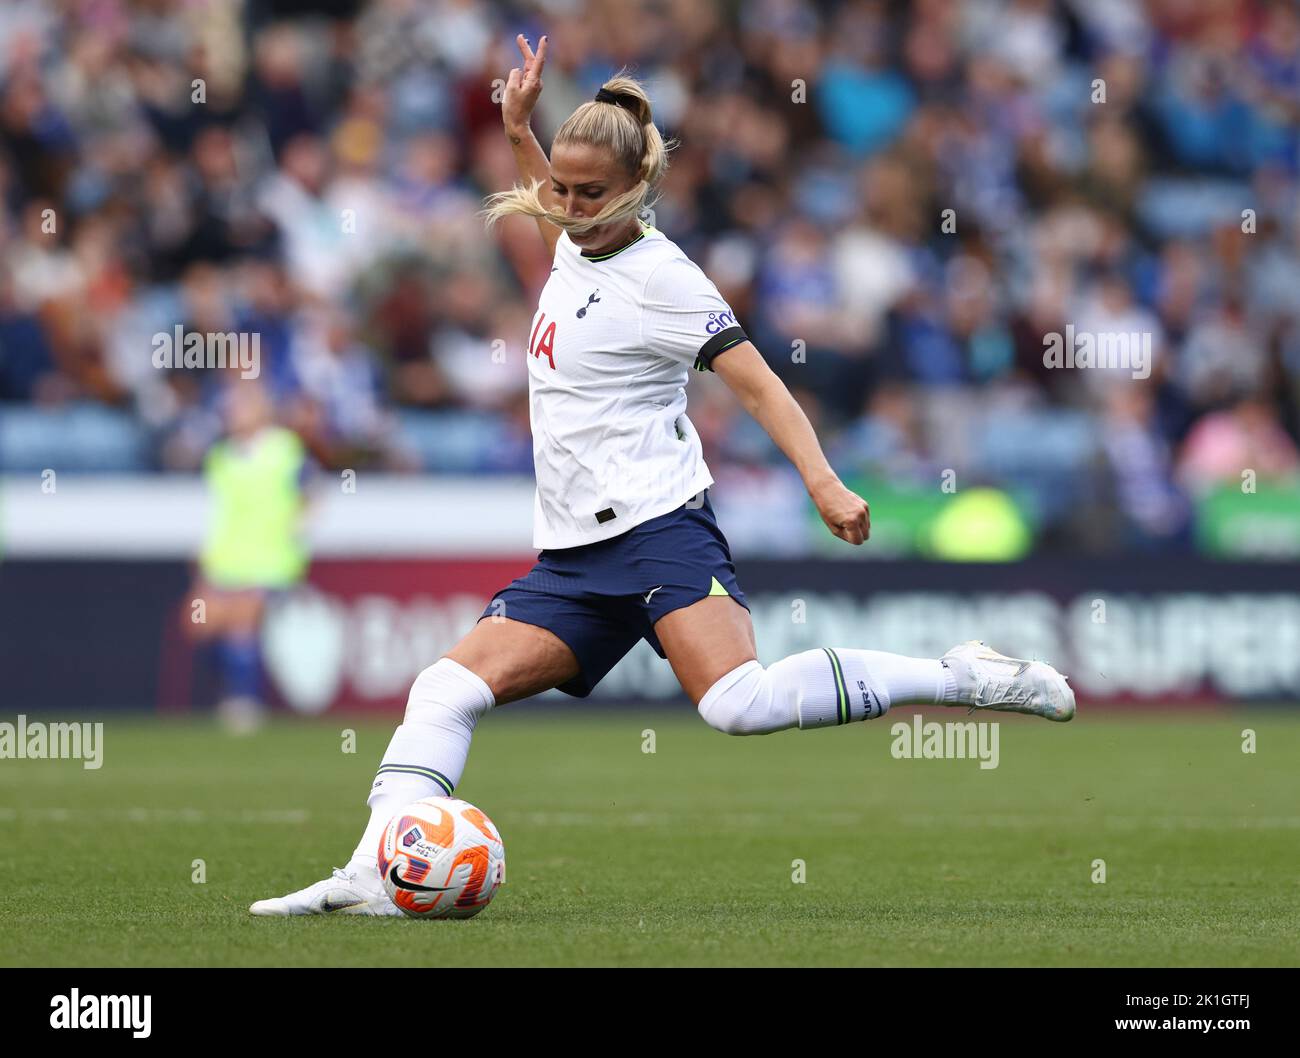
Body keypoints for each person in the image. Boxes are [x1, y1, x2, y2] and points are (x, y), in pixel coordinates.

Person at [250, 35, 1074, 917]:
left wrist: (823, 482)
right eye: (558, 190)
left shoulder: (665, 280)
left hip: (654, 529)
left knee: (737, 704)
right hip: (571, 555)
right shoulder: (576, 236)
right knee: (445, 688)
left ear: (637, 189)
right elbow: (549, 199)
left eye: (588, 194)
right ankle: (373, 870)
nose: (566, 207)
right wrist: (517, 128)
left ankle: (959, 674)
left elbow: (758, 383)